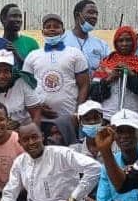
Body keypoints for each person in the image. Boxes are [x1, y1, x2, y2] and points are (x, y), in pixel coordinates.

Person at [22, 13, 90, 146]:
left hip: (67, 119)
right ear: (42, 31)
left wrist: (77, 113)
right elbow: (25, 87)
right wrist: (37, 107)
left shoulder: (75, 53)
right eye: (48, 27)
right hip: (40, 119)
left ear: (63, 31)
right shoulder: (33, 56)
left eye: (56, 27)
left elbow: (84, 85)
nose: (52, 29)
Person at [91, 26, 138, 121]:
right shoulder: (105, 63)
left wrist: (131, 74)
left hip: (134, 118)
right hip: (108, 118)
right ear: (115, 43)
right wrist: (109, 79)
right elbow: (94, 94)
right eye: (120, 40)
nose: (124, 44)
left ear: (134, 42)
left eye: (128, 40)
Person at [0, 49, 42, 128]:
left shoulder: (22, 83)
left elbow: (36, 112)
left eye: (6, 71)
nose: (2, 76)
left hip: (23, 133)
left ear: (12, 71)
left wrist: (33, 132)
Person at [63, 0, 109, 74]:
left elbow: (108, 68)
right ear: (77, 15)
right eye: (90, 12)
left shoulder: (101, 45)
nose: (94, 16)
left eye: (96, 14)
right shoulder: (62, 41)